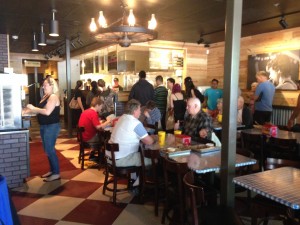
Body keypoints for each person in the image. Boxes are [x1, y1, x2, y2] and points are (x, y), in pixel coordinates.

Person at [24, 77, 61, 182]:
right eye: (43, 85)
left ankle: (56, 173)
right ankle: (52, 170)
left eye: (45, 85)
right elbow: (40, 110)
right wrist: (27, 111)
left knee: (50, 150)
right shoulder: (46, 96)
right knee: (47, 150)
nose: (43, 86)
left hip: (52, 126)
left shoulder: (53, 97)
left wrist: (33, 108)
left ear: (52, 86)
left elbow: (47, 112)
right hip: (45, 125)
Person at [108, 99, 155, 167]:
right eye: (139, 110)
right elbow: (149, 142)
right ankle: (140, 177)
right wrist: (154, 138)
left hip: (110, 158)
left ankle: (134, 177)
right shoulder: (135, 123)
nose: (140, 112)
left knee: (138, 153)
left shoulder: (122, 118)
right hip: (121, 160)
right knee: (153, 159)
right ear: (134, 111)